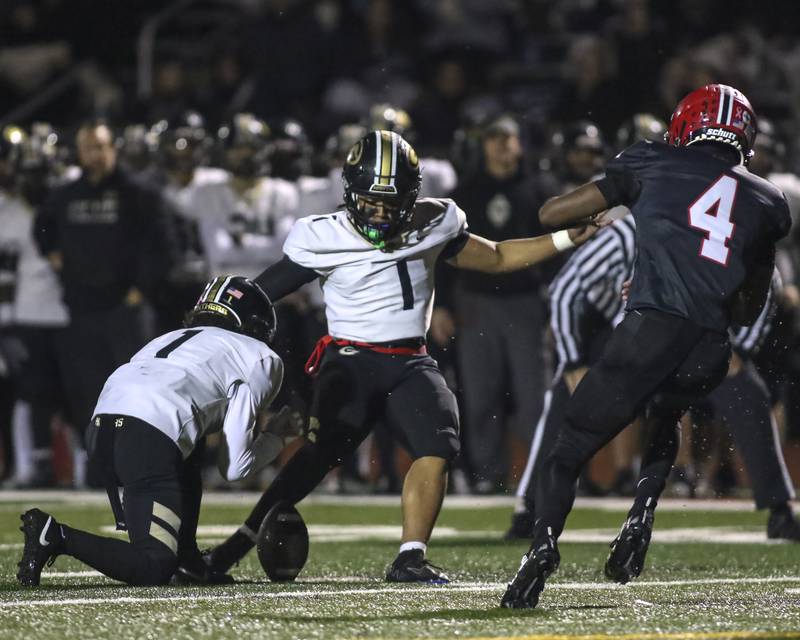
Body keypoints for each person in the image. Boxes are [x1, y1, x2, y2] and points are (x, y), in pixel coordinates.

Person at [201, 129, 597, 584]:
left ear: (411, 198)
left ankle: (410, 557)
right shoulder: (321, 235)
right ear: (350, 193)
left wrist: (565, 238)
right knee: (315, 459)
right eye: (370, 202)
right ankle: (230, 551)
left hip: (410, 362)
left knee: (439, 441)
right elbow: (258, 294)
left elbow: (498, 256)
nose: (380, 214)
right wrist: (209, 324)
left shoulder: (433, 222)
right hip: (349, 363)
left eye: (390, 204)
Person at [501, 84, 791, 609]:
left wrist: (600, 223)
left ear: (686, 125)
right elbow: (750, 306)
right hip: (708, 347)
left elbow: (551, 214)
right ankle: (642, 512)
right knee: (666, 413)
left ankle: (541, 547)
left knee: (568, 448)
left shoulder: (653, 160)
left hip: (649, 332)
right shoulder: (768, 200)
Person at [16, 276, 298, 587]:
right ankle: (56, 535)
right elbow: (234, 466)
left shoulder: (168, 339)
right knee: (154, 564)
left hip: (101, 431)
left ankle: (189, 561)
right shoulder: (259, 355)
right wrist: (276, 437)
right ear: (257, 325)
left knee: (191, 443)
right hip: (148, 438)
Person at [34, 119, 179, 486]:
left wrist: (141, 289)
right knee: (87, 392)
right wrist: (52, 252)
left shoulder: (138, 194)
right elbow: (42, 225)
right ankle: (98, 469)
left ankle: (142, 467)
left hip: (126, 310)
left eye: (101, 147)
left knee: (137, 391)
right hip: (82, 310)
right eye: (88, 148)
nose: (95, 155)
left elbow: (166, 246)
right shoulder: (66, 195)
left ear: (112, 149)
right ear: (79, 153)